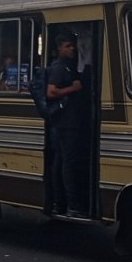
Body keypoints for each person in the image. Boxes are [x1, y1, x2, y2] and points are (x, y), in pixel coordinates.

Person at [46, 30, 88, 218]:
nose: (72, 49)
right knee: (67, 162)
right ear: (59, 49)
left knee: (62, 161)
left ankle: (60, 203)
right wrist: (73, 88)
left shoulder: (70, 66)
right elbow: (51, 92)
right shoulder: (58, 67)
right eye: (67, 46)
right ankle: (71, 204)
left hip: (68, 121)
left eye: (73, 45)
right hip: (65, 123)